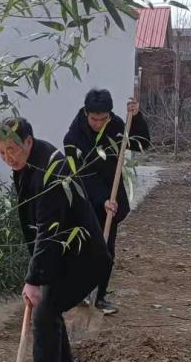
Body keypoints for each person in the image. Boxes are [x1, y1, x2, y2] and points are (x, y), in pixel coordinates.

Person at [0, 117, 109, 362]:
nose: (8, 158)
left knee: (45, 309)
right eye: (1, 152)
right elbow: (33, 227)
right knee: (49, 307)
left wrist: (34, 280)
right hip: (61, 255)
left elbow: (49, 229)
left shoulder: (51, 170)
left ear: (29, 142)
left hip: (84, 258)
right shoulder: (26, 165)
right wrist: (34, 274)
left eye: (13, 150)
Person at [61, 88, 151, 314]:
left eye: (103, 119)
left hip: (112, 198)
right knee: (83, 247)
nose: (99, 124)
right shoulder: (73, 137)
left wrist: (137, 117)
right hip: (85, 198)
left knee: (106, 248)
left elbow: (140, 144)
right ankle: (78, 292)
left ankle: (99, 296)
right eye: (94, 119)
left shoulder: (117, 125)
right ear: (85, 113)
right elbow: (81, 175)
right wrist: (101, 200)